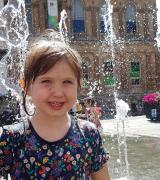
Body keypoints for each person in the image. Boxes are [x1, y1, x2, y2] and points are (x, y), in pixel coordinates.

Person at [0, 37, 110, 179]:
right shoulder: (11, 139)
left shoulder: (89, 134)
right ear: (26, 86)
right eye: (46, 81)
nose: (58, 93)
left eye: (67, 82)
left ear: (79, 85)